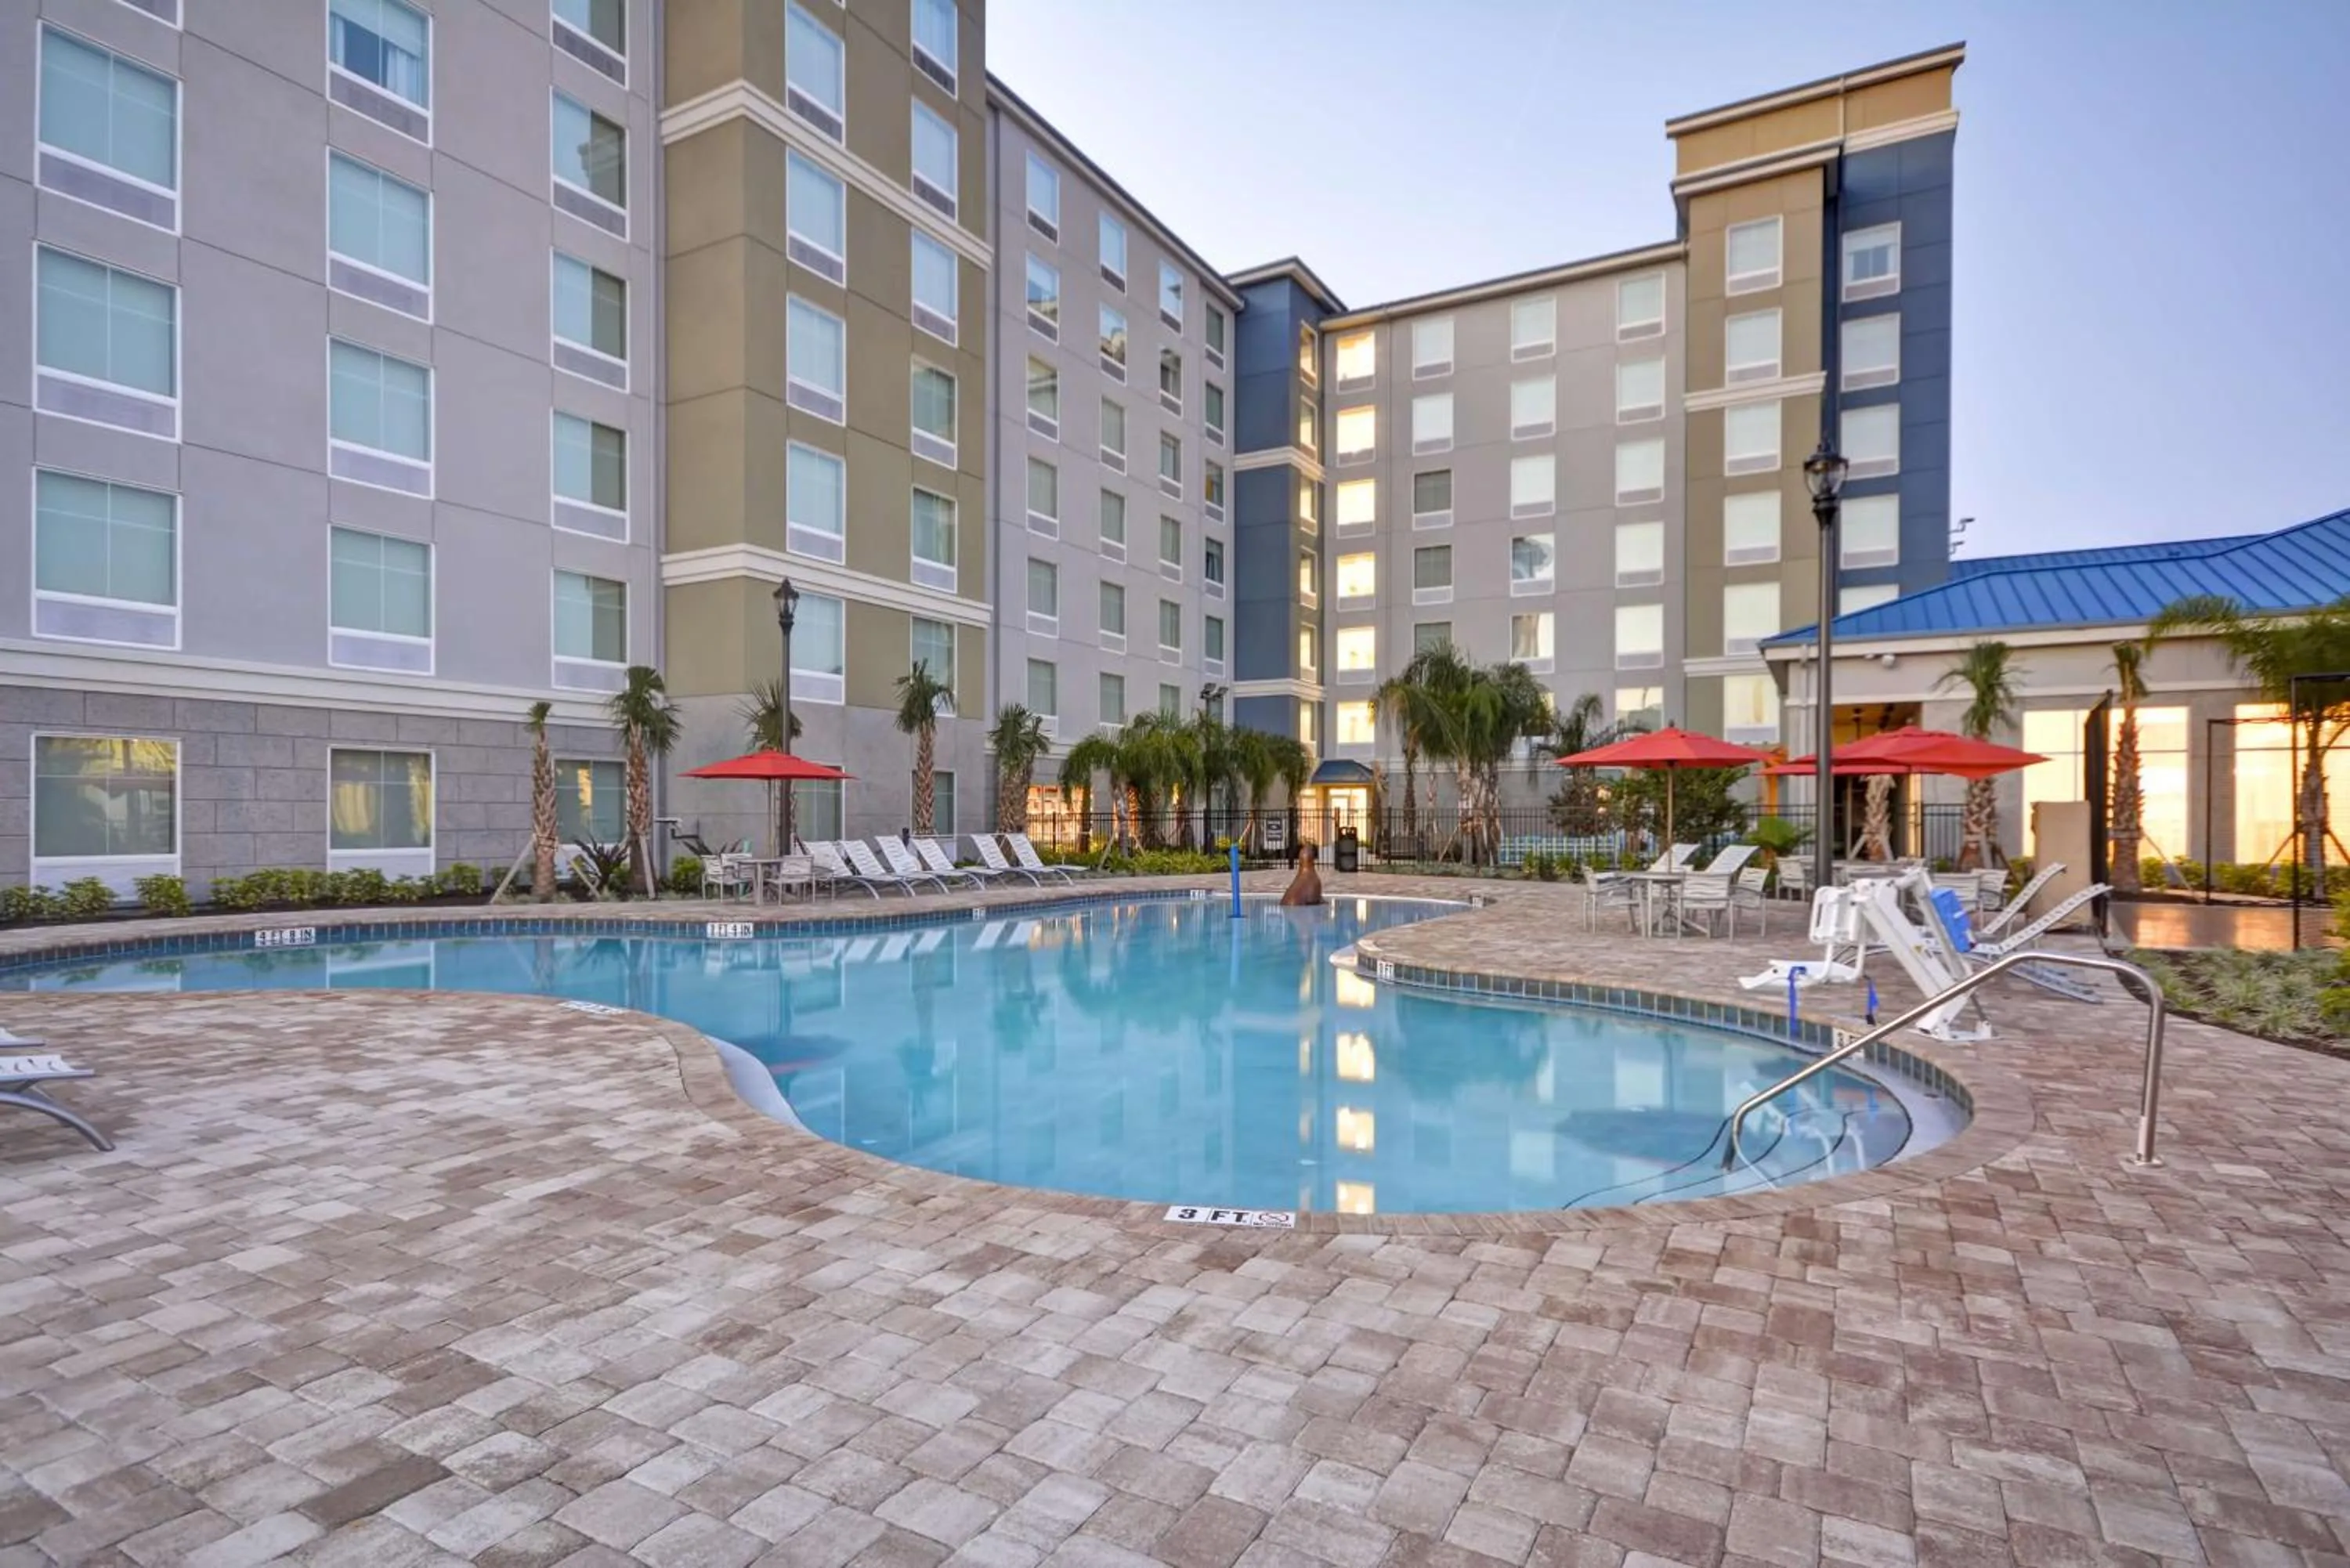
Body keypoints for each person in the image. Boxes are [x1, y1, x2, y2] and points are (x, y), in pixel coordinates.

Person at [1280, 840, 1324, 907]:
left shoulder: (1300, 878)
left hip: (1286, 905)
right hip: (1298, 908)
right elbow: (1312, 899)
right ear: (1312, 859)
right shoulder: (1314, 879)